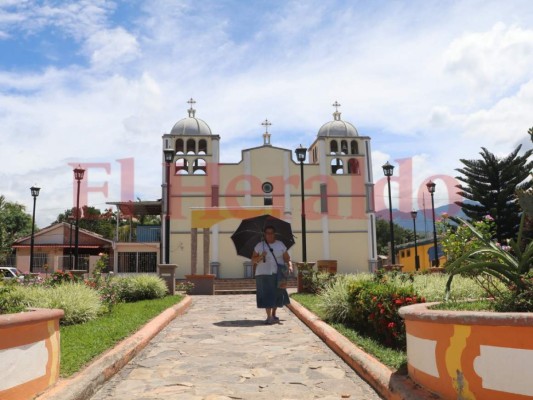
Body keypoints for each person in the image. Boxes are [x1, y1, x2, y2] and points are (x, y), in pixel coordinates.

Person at [251, 225, 293, 324]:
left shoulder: (280, 245)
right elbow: (253, 260)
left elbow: (287, 258)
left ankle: (273, 314)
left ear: (274, 234)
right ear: (264, 234)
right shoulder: (259, 246)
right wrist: (261, 256)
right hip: (263, 274)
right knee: (267, 295)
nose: (269, 235)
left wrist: (290, 266)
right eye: (267, 233)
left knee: (277, 294)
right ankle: (269, 317)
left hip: (278, 273)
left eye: (271, 233)